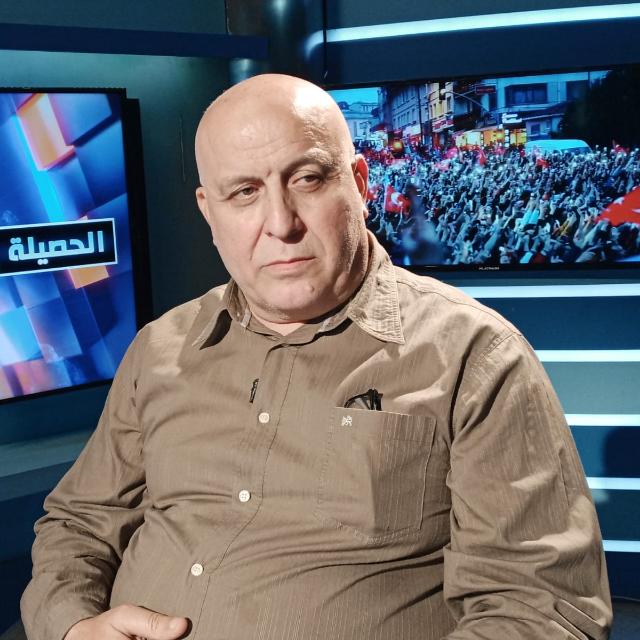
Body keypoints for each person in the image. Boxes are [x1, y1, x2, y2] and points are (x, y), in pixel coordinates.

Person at [21, 74, 612, 640]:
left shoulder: (475, 356)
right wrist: (72, 625)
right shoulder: (159, 348)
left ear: (359, 184)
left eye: (306, 179)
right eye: (244, 192)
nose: (280, 224)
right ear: (209, 212)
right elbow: (79, 524)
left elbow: (541, 606)